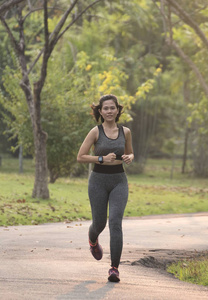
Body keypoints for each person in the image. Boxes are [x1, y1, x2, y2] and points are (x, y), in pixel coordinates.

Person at [77, 94, 134, 283]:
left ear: (118, 110)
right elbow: (81, 156)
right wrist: (101, 158)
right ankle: (93, 240)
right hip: (98, 181)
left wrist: (130, 157)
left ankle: (114, 269)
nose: (109, 111)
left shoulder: (125, 131)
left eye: (113, 108)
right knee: (100, 223)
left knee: (115, 222)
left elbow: (129, 152)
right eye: (106, 108)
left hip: (119, 180)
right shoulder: (95, 132)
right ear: (100, 111)